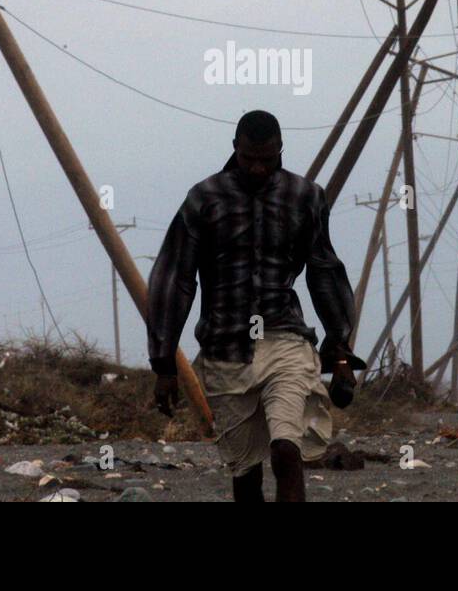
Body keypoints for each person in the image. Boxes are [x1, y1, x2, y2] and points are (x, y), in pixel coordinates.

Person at [147, 110, 366, 502]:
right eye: (250, 159)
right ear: (235, 149)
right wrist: (163, 363)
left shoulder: (304, 197)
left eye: (268, 158)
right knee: (245, 470)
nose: (259, 168)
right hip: (226, 349)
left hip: (285, 339)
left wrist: (340, 347)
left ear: (281, 150)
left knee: (287, 448)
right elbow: (175, 278)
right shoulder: (204, 199)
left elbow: (324, 271)